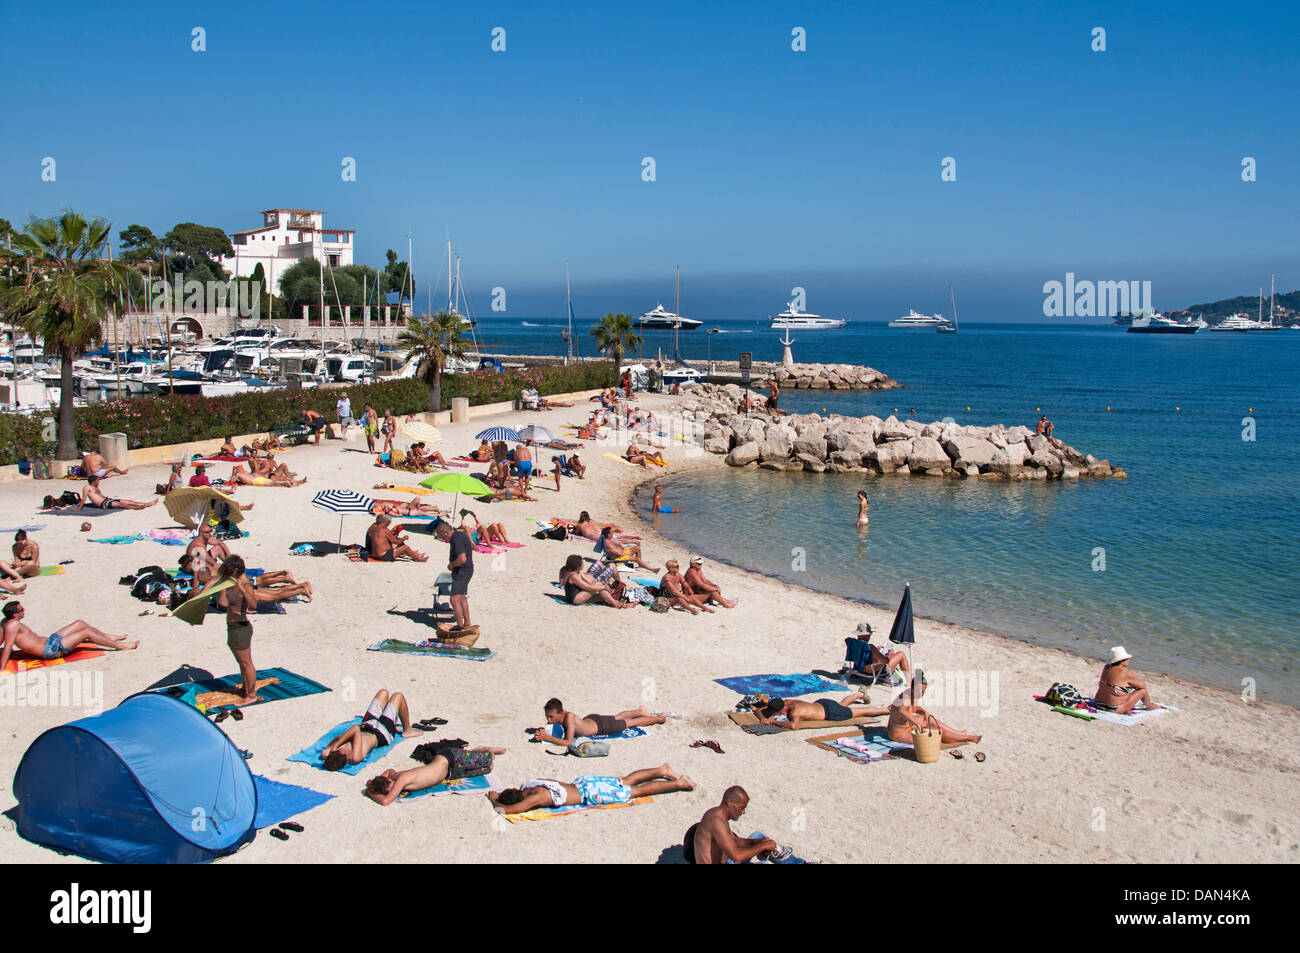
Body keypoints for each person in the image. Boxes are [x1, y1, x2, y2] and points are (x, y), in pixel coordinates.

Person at [489, 764, 693, 814]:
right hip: (584, 783)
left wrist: (494, 800)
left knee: (636, 791)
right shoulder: (530, 784)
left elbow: (510, 810)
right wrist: (500, 794)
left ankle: (678, 783)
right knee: (627, 780)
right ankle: (661, 769)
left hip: (589, 793)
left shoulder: (537, 796)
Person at [0, 601, 138, 670]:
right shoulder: (13, 625)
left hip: (50, 641)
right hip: (50, 651)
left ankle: (109, 637)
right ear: (14, 614)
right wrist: (2, 668)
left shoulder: (6, 622)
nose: (24, 610)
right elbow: (7, 646)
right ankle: (119, 646)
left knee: (79, 623)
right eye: (21, 610)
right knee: (86, 632)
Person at [365, 745, 506, 805]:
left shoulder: (400, 779)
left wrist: (369, 791)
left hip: (448, 758)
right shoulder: (393, 777)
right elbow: (389, 770)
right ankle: (477, 752)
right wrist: (374, 783)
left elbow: (385, 801)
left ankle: (486, 749)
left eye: (390, 789)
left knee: (490, 757)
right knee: (489, 769)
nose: (393, 791)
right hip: (449, 773)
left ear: (389, 785)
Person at [320, 688, 420, 770]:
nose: (343, 749)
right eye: (345, 752)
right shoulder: (355, 757)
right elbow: (355, 729)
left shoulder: (330, 753)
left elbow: (340, 737)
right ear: (347, 759)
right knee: (398, 696)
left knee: (383, 693)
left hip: (367, 726)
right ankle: (407, 731)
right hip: (382, 733)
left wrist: (333, 746)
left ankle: (389, 717)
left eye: (339, 749)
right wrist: (336, 745)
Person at [689, 787, 779, 865]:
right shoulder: (716, 822)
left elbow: (734, 841)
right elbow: (737, 856)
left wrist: (758, 842)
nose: (743, 812)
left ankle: (781, 853)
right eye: (741, 808)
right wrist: (762, 846)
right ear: (729, 802)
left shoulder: (718, 815)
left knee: (758, 835)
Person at [886, 673, 982, 744]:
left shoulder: (913, 694)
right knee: (936, 735)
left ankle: (959, 733)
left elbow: (914, 709)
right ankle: (969, 738)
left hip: (908, 725)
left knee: (930, 719)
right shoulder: (905, 696)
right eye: (919, 691)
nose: (921, 694)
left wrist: (924, 712)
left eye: (923, 692)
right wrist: (916, 723)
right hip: (898, 733)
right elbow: (902, 711)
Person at [531, 697, 665, 746]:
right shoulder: (561, 716)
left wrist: (547, 737)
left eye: (551, 717)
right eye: (547, 717)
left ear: (560, 713)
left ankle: (658, 719)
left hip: (601, 727)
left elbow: (567, 742)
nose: (548, 720)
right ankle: (639, 711)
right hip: (591, 720)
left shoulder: (569, 717)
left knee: (630, 723)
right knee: (617, 716)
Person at [759, 690, 888, 730]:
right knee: (842, 705)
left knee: (859, 712)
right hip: (822, 703)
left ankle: (885, 710)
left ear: (781, 711)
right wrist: (762, 715)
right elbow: (761, 709)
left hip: (829, 713)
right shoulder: (784, 701)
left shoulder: (795, 711)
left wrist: (772, 721)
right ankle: (858, 694)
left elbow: (793, 726)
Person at [434, 519, 474, 634]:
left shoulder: (456, 538)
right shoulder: (459, 535)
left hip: (462, 570)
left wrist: (452, 565)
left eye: (443, 537)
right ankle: (466, 623)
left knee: (454, 598)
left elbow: (462, 558)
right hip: (466, 570)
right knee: (462, 598)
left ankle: (460, 626)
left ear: (446, 533)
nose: (444, 539)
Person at [1094, 646, 1161, 714]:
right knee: (1143, 691)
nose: (1129, 660)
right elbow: (1143, 686)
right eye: (1127, 659)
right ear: (1122, 662)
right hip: (1114, 708)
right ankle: (1149, 706)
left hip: (1098, 704)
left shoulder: (1106, 667)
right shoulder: (1124, 672)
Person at [557, 554, 636, 608]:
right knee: (598, 588)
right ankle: (617, 604)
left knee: (603, 597)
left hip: (579, 595)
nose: (583, 564)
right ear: (578, 566)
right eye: (582, 563)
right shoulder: (574, 576)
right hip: (575, 599)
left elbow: (589, 582)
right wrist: (603, 587)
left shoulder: (577, 573)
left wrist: (602, 584)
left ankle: (619, 602)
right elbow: (588, 587)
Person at [185, 522, 230, 589]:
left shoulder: (205, 538)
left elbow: (220, 542)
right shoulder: (198, 544)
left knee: (218, 548)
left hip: (202, 560)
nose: (210, 534)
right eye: (207, 532)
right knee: (219, 568)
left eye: (210, 531)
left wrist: (229, 556)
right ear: (201, 533)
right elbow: (210, 561)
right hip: (194, 566)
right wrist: (217, 565)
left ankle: (229, 562)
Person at [78, 475, 158, 510]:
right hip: (103, 504)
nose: (99, 482)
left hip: (107, 499)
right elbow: (84, 498)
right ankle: (137, 507)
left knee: (127, 501)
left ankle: (147, 504)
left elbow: (101, 495)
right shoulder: (87, 487)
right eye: (97, 480)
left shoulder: (96, 487)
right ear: (93, 481)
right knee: (122, 504)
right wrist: (79, 508)